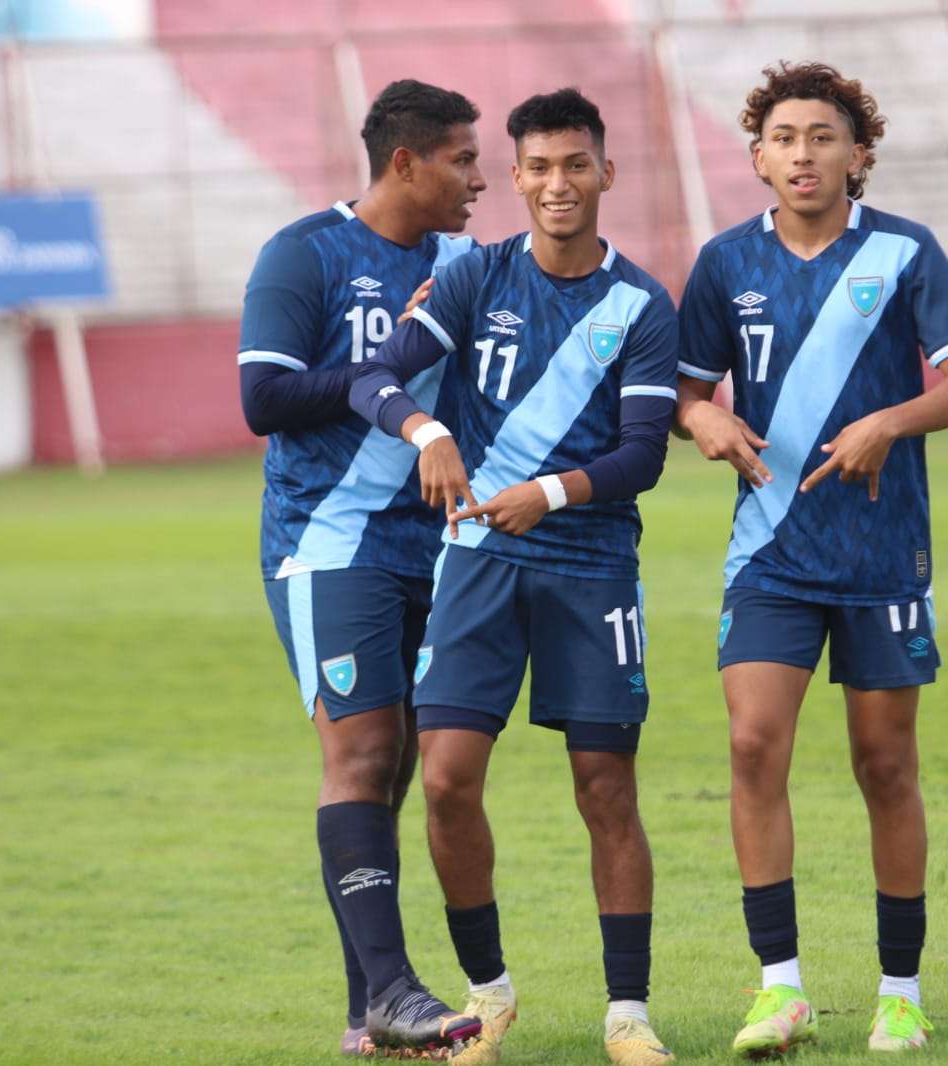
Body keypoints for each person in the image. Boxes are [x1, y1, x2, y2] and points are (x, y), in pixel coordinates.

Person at [349, 88, 678, 1066]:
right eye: (537, 166)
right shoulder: (474, 279)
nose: (556, 183)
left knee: (605, 786)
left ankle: (628, 1014)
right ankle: (488, 999)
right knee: (446, 781)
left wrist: (549, 491)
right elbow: (376, 379)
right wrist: (432, 428)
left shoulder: (640, 304)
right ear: (519, 176)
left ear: (605, 172)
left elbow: (643, 454)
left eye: (576, 164)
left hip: (590, 565)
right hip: (481, 563)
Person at [673, 61, 948, 1056]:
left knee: (884, 764)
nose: (803, 153)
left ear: (859, 154)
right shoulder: (726, 264)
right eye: (784, 137)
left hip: (882, 552)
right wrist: (705, 421)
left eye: (824, 136)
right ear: (758, 156)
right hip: (768, 551)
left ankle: (901, 991)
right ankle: (780, 988)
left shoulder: (903, 252)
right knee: (752, 746)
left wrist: (890, 421)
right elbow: (681, 395)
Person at [237, 78, 490, 1059]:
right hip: (328, 541)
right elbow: (263, 395)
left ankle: (367, 1018)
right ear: (405, 162)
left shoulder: (470, 264)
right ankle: (392, 989)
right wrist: (387, 384)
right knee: (360, 756)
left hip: (442, 546)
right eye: (463, 160)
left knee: (398, 776)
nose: (479, 179)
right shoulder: (306, 255)